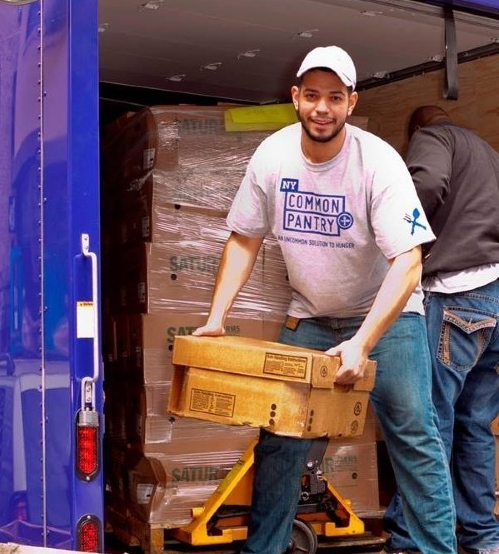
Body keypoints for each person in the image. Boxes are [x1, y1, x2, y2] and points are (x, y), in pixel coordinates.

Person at [193, 46, 456, 554]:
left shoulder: (379, 162)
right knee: (281, 439)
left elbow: (409, 261)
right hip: (311, 316)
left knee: (415, 438)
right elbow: (245, 237)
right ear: (295, 97)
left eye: (335, 97)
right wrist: (216, 318)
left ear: (351, 103)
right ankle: (263, 549)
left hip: (389, 319)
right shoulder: (273, 156)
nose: (322, 108)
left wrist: (362, 343)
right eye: (312, 95)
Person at [384, 106, 499, 554]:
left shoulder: (435, 139)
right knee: (475, 424)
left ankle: (413, 535)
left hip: (458, 293)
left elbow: (426, 184)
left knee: (429, 418)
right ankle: (483, 536)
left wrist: (401, 243)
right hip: (496, 296)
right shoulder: (490, 154)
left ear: (417, 131)